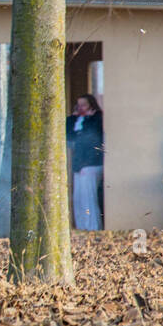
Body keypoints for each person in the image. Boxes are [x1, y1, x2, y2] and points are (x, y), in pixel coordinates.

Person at [66, 94, 104, 230]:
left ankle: (92, 227)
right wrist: (74, 116)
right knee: (79, 198)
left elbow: (92, 138)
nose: (81, 108)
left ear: (91, 106)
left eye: (84, 105)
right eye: (78, 105)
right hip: (79, 165)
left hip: (91, 163)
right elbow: (69, 134)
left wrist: (88, 118)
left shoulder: (96, 118)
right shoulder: (78, 120)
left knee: (89, 198)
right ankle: (82, 227)